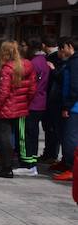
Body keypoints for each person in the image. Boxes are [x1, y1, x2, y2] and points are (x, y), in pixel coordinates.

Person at [0, 40, 36, 179]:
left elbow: (2, 92)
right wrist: (25, 102)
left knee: (4, 138)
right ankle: (15, 163)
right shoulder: (28, 65)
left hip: (5, 108)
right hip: (20, 106)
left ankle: (6, 167)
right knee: (19, 137)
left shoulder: (7, 68)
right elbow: (32, 89)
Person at [20, 38, 50, 176]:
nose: (23, 48)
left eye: (24, 45)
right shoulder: (44, 62)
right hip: (40, 102)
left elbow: (30, 86)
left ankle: (28, 164)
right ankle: (31, 162)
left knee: (26, 134)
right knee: (33, 134)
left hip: (31, 104)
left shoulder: (33, 63)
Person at [56, 39, 78, 181]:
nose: (61, 51)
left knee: (70, 137)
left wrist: (67, 106)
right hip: (73, 104)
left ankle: (72, 168)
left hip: (74, 106)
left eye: (62, 48)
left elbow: (74, 85)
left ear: (70, 46)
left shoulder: (74, 62)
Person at [43, 36, 66, 165]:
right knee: (49, 128)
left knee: (56, 130)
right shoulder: (54, 58)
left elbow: (62, 79)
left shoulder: (66, 61)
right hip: (51, 98)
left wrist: (53, 70)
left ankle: (54, 155)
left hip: (57, 100)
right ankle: (49, 153)